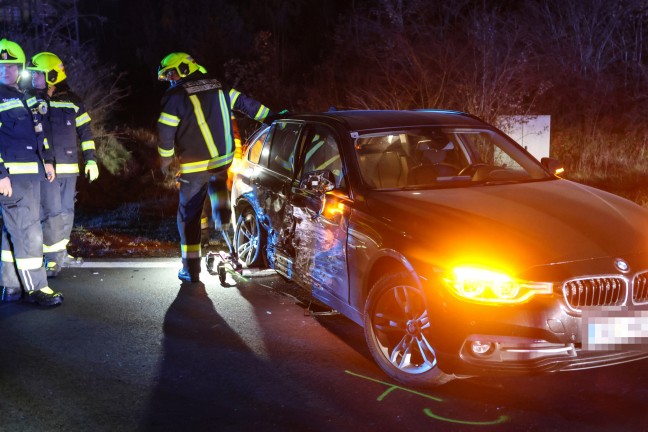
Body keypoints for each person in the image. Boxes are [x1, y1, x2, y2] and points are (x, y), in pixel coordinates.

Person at [156, 52, 275, 283]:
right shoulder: (219, 86)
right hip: (223, 160)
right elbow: (245, 104)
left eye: (170, 73)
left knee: (188, 215)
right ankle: (222, 218)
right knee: (217, 183)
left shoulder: (176, 96)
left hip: (196, 167)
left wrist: (166, 161)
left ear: (183, 69)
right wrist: (272, 116)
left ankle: (190, 270)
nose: (170, 79)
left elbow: (165, 132)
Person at [0, 39, 62, 306]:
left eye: (11, 65)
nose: (6, 70)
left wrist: (47, 160)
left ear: (21, 68)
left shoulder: (24, 97)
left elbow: (39, 133)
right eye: (1, 66)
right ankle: (36, 288)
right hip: (12, 177)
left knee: (11, 230)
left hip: (30, 175)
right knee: (28, 231)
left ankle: (11, 285)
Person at [26, 52, 98, 278]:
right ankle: (51, 260)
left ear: (52, 76)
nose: (34, 77)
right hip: (46, 170)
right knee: (51, 214)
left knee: (67, 212)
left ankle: (60, 254)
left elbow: (85, 132)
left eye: (38, 73)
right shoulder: (31, 99)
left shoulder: (73, 101)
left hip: (69, 168)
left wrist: (91, 160)